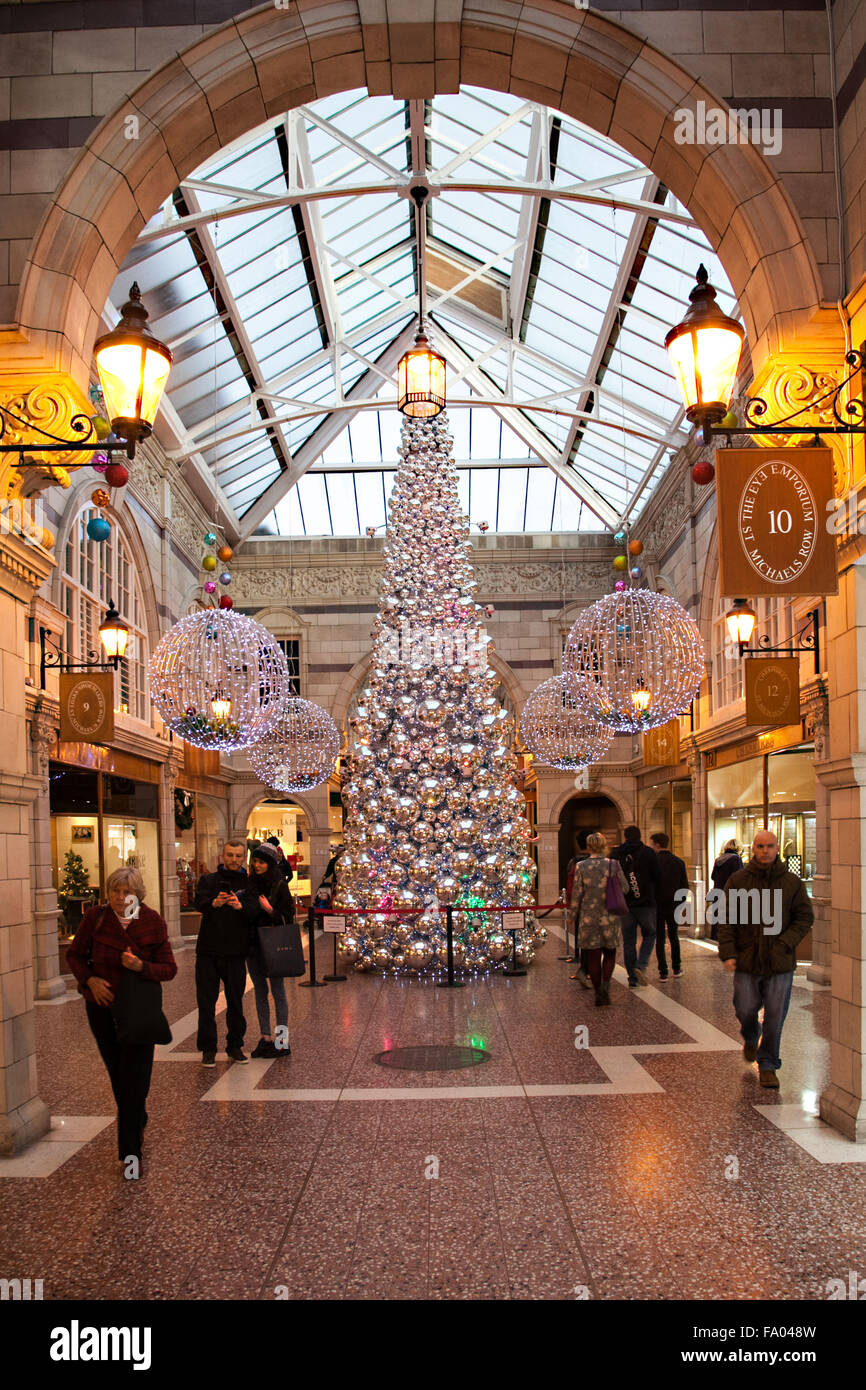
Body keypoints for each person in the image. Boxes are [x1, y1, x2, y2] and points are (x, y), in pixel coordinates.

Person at [66, 866, 177, 1174]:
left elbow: (169, 969)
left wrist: (141, 966)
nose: (119, 896)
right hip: (101, 1008)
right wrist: (90, 981)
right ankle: (136, 1117)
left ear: (137, 894)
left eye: (126, 891)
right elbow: (74, 956)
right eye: (115, 890)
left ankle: (130, 1153)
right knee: (118, 1074)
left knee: (135, 1078)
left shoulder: (151, 921)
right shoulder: (96, 918)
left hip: (138, 1010)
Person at [717, 829, 813, 1089]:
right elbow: (726, 918)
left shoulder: (791, 882)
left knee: (775, 1015)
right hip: (747, 960)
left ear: (776, 848)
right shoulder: (738, 880)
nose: (765, 851)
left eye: (770, 846)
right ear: (754, 849)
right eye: (760, 846)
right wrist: (728, 952)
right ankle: (750, 1035)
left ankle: (768, 1063)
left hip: (779, 961)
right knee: (744, 1007)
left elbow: (804, 917)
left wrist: (785, 942)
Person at [193, 838, 251, 1067]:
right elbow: (199, 903)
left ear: (243, 857)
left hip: (236, 952)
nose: (234, 860)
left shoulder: (249, 883)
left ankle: (235, 1045)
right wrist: (214, 903)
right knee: (206, 1002)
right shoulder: (208, 881)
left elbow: (255, 909)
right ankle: (208, 1048)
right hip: (208, 951)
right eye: (230, 855)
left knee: (235, 1002)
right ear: (222, 856)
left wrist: (241, 907)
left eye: (238, 856)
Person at [244, 842, 295, 1058]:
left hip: (274, 945)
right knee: (259, 991)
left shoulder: (279, 885)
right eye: (255, 861)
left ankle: (282, 1040)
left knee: (278, 991)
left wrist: (270, 910)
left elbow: (288, 916)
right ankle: (265, 1037)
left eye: (261, 862)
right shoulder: (250, 884)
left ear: (270, 864)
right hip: (254, 945)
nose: (257, 865)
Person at [570, 833, 629, 1006]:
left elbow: (576, 894)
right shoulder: (613, 865)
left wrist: (572, 915)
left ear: (589, 846)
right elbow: (625, 888)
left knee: (593, 956)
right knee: (610, 953)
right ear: (604, 845)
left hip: (589, 918)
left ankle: (597, 992)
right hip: (610, 917)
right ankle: (606, 985)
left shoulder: (581, 867)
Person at [610, 825, 660, 987]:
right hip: (646, 902)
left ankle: (632, 978)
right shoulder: (648, 853)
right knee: (650, 934)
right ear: (640, 837)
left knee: (629, 941)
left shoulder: (616, 854)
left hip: (625, 903)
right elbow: (657, 876)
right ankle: (641, 965)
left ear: (625, 837)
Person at [649, 831, 689, 980]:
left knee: (659, 938)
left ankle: (663, 971)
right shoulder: (678, 862)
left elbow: (649, 885)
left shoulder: (653, 863)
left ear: (657, 845)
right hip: (673, 905)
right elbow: (684, 886)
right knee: (674, 936)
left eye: (652, 844)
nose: (651, 846)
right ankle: (677, 968)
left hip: (657, 905)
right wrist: (680, 903)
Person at [566, 830, 593, 987]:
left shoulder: (575, 863)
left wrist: (572, 906)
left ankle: (584, 968)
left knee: (584, 938)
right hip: (601, 908)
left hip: (583, 906)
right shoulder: (608, 863)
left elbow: (571, 888)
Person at [710, 840, 743, 940]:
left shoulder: (718, 859)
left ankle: (716, 937)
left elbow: (713, 876)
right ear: (738, 848)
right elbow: (739, 877)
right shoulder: (736, 859)